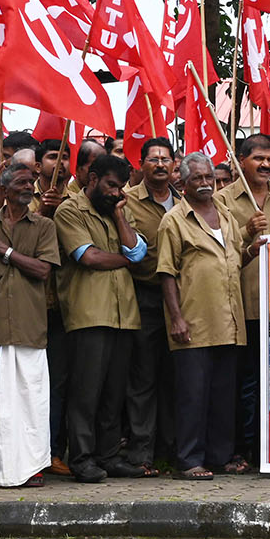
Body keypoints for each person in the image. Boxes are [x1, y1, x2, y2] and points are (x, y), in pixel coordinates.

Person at [156, 153, 255, 480]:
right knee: (192, 396)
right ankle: (189, 460)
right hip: (194, 321)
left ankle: (218, 456)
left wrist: (255, 248)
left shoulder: (225, 214)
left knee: (222, 396)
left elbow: (236, 257)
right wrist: (176, 318)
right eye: (196, 178)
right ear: (182, 184)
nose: (204, 184)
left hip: (229, 321)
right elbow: (166, 272)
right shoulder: (174, 220)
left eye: (208, 177)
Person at [0, 156, 59, 488]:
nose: (28, 187)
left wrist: (7, 253)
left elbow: (43, 270)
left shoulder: (44, 226)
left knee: (28, 399)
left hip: (28, 326)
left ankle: (32, 465)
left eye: (29, 182)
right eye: (20, 182)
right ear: (2, 188)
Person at [55, 154, 147, 483]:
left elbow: (138, 252)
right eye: (110, 185)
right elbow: (88, 257)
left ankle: (108, 456)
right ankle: (81, 459)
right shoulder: (69, 210)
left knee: (114, 392)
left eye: (120, 188)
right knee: (86, 392)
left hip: (124, 315)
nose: (115, 192)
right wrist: (127, 259)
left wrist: (121, 214)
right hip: (88, 315)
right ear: (92, 179)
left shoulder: (117, 210)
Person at [220, 133, 270, 471]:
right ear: (240, 160)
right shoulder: (222, 201)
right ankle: (242, 450)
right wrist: (247, 233)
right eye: (258, 159)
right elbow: (218, 256)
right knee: (242, 384)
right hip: (242, 307)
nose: (266, 165)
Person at [118, 137, 180, 475]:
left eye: (165, 159)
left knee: (175, 378)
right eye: (153, 159)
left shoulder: (184, 202)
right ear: (140, 164)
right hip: (144, 295)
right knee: (143, 378)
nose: (159, 164)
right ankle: (141, 451)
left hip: (182, 301)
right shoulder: (128, 203)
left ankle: (170, 449)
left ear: (174, 165)